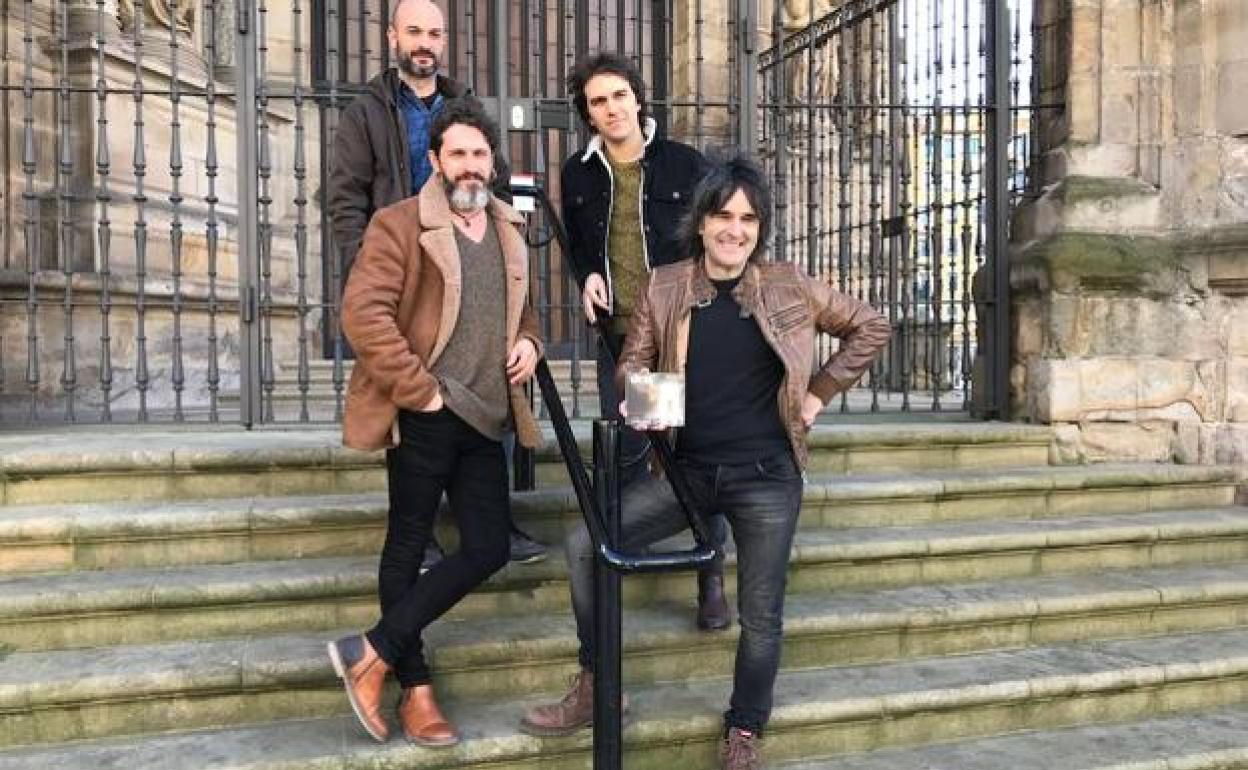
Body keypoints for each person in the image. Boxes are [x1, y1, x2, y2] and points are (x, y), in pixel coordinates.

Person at [522, 154, 892, 770]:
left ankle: (744, 730)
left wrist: (817, 394)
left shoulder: (788, 284)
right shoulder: (666, 285)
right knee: (586, 545)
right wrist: (647, 400)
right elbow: (630, 363)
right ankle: (596, 683)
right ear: (701, 222)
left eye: (748, 219)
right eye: (723, 216)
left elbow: (871, 327)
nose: (735, 230)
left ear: (759, 228)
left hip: (766, 480)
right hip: (687, 476)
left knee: (761, 615)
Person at [329, 97, 544, 746]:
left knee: (488, 547)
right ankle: (416, 690)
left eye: (480, 154)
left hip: (485, 416)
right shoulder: (399, 224)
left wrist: (531, 341)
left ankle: (372, 651)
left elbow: (525, 309)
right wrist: (418, 391)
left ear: (492, 163)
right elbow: (363, 314)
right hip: (426, 409)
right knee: (408, 542)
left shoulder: (508, 226)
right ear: (435, 160)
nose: (470, 165)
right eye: (458, 153)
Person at [328, 0, 545, 565]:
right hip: (407, 269)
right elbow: (346, 200)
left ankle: (495, 523)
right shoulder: (367, 112)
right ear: (393, 37)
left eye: (434, 33)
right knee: (410, 402)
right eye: (414, 31)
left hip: (466, 259)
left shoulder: (463, 106)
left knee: (487, 378)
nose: (425, 43)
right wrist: (370, 269)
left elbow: (491, 185)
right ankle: (418, 533)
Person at [560, 51, 729, 630]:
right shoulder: (578, 173)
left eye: (618, 96)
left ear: (637, 98)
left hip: (678, 337)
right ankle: (624, 555)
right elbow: (579, 244)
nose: (611, 109)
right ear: (588, 114)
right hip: (624, 340)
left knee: (691, 456)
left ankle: (710, 573)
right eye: (597, 102)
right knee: (628, 455)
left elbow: (717, 241)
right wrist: (586, 275)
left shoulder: (684, 164)